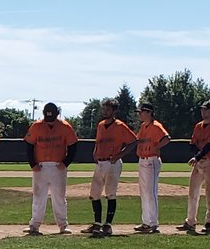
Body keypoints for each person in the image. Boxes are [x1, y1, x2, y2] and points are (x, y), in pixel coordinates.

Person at [83, 99, 137, 236]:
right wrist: (95, 151)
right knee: (94, 194)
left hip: (112, 163)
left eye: (108, 109)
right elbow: (98, 141)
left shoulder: (119, 125)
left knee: (110, 194)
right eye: (104, 109)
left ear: (114, 111)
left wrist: (119, 155)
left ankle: (107, 225)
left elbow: (133, 141)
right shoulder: (101, 125)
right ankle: (97, 223)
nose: (105, 111)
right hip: (100, 163)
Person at [23, 102, 78, 235]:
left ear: (57, 114)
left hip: (58, 166)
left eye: (52, 117)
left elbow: (73, 146)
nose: (50, 121)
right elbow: (29, 145)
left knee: (59, 196)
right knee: (38, 196)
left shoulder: (65, 127)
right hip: (40, 166)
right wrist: (32, 164)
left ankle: (63, 225)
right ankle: (34, 225)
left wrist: (66, 162)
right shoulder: (36, 126)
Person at [178, 101, 210, 234]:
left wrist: (197, 156)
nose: (203, 112)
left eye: (206, 110)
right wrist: (198, 156)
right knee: (193, 192)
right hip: (199, 162)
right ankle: (190, 221)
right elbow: (192, 144)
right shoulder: (198, 126)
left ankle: (209, 223)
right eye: (202, 110)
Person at [133, 103, 170, 234]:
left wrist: (157, 147)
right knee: (143, 192)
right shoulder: (143, 126)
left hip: (152, 161)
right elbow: (137, 140)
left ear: (148, 112)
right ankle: (146, 222)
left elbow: (166, 138)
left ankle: (153, 223)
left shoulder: (156, 126)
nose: (139, 114)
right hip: (142, 160)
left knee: (151, 192)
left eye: (141, 112)